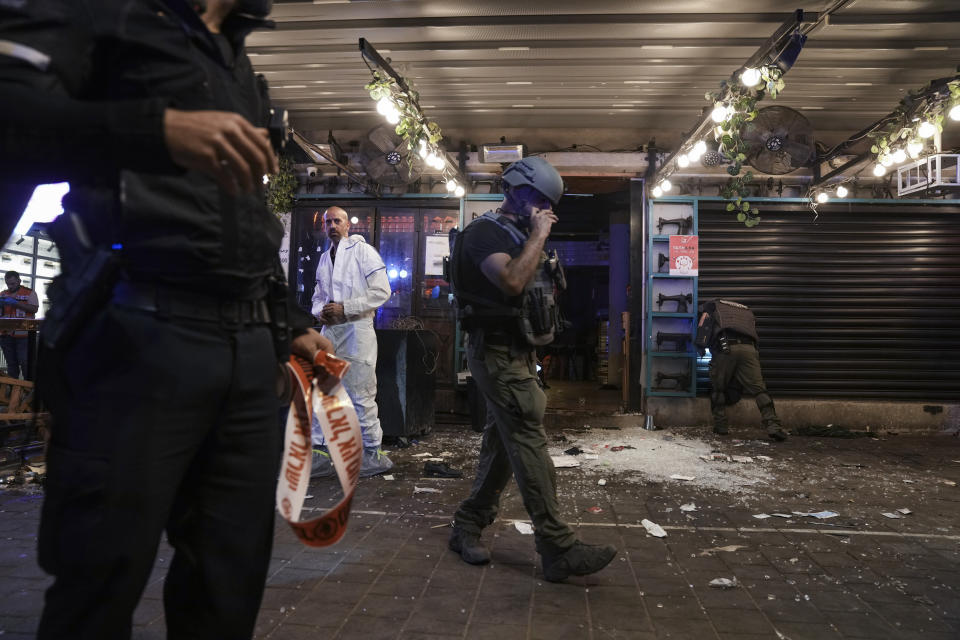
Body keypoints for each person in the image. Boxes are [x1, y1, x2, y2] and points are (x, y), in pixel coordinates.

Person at [0, 1, 333, 638]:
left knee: (226, 586)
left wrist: (288, 318)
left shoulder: (234, 54)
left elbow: (240, 212)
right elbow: (10, 117)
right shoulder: (101, 13)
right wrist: (154, 129)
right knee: (98, 581)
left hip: (245, 356)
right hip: (135, 339)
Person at [448, 156, 617, 583]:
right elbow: (510, 282)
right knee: (528, 440)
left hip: (519, 353)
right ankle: (557, 547)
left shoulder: (520, 234)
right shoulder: (483, 234)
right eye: (539, 198)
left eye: (549, 202)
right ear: (514, 190)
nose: (544, 207)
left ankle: (467, 524)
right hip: (495, 353)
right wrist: (540, 234)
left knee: (504, 444)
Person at [310, 206, 393, 477]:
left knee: (360, 393)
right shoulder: (325, 258)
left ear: (348, 225)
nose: (332, 225)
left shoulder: (363, 252)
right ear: (324, 226)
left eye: (337, 221)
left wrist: (345, 307)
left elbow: (382, 291)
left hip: (357, 329)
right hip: (330, 330)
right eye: (328, 221)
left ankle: (372, 454)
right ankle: (320, 454)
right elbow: (318, 296)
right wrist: (320, 310)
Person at [695, 299, 789, 441]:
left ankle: (721, 427)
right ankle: (774, 426)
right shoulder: (745, 310)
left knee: (718, 388)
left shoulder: (711, 306)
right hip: (749, 349)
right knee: (759, 390)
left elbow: (703, 326)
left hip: (726, 348)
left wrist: (700, 346)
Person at [0, 271, 39, 379]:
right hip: (6, 335)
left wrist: (15, 303)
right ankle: (13, 390)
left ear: (19, 281)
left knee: (25, 363)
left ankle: (27, 389)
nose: (10, 286)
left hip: (24, 336)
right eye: (8, 284)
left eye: (13, 283)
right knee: (11, 365)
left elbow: (34, 309)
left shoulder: (29, 293)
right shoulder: (3, 294)